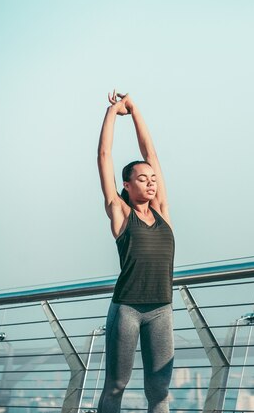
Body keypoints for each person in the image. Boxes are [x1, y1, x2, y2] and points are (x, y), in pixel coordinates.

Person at [97, 91, 175, 413]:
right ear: (127, 186)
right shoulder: (121, 213)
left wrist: (136, 109)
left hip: (161, 309)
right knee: (116, 386)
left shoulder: (161, 211)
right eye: (142, 179)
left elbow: (151, 153)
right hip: (127, 309)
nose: (151, 182)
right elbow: (104, 155)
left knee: (159, 390)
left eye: (152, 178)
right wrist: (113, 113)